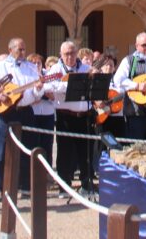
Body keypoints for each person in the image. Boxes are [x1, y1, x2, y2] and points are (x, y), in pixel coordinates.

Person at [0, 38, 43, 202]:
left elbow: (36, 94)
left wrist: (38, 89)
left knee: (28, 148)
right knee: (2, 150)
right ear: (10, 50)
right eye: (19, 50)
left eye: (24, 49)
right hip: (7, 111)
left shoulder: (31, 67)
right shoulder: (1, 66)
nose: (22, 53)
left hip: (26, 111)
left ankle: (25, 186)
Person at [48, 40, 94, 196]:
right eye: (66, 54)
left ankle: (87, 185)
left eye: (72, 53)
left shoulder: (85, 68)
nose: (70, 56)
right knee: (64, 153)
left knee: (85, 152)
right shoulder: (56, 69)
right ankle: (64, 186)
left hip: (84, 116)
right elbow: (49, 86)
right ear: (61, 55)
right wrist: (70, 85)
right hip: (65, 116)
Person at [114, 32, 146, 140]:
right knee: (137, 145)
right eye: (144, 45)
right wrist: (136, 85)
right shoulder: (129, 60)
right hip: (135, 112)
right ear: (136, 46)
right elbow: (118, 80)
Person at [28, 53, 56, 165]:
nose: (36, 65)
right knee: (33, 142)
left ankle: (47, 168)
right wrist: (37, 97)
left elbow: (54, 95)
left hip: (47, 113)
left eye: (38, 63)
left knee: (47, 143)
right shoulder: (27, 76)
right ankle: (33, 169)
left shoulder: (49, 76)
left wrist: (44, 94)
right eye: (33, 63)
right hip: (32, 113)